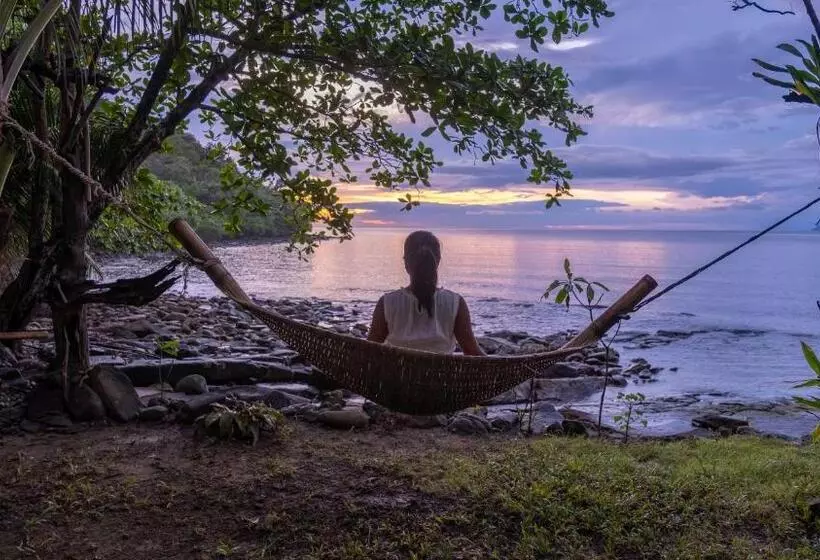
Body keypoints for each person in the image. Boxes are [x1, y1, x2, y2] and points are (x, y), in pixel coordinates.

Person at [367, 231, 485, 356]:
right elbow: (473, 352)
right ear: (438, 261)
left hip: (396, 375)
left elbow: (367, 353)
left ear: (406, 263)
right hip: (441, 375)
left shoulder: (387, 304)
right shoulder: (455, 304)